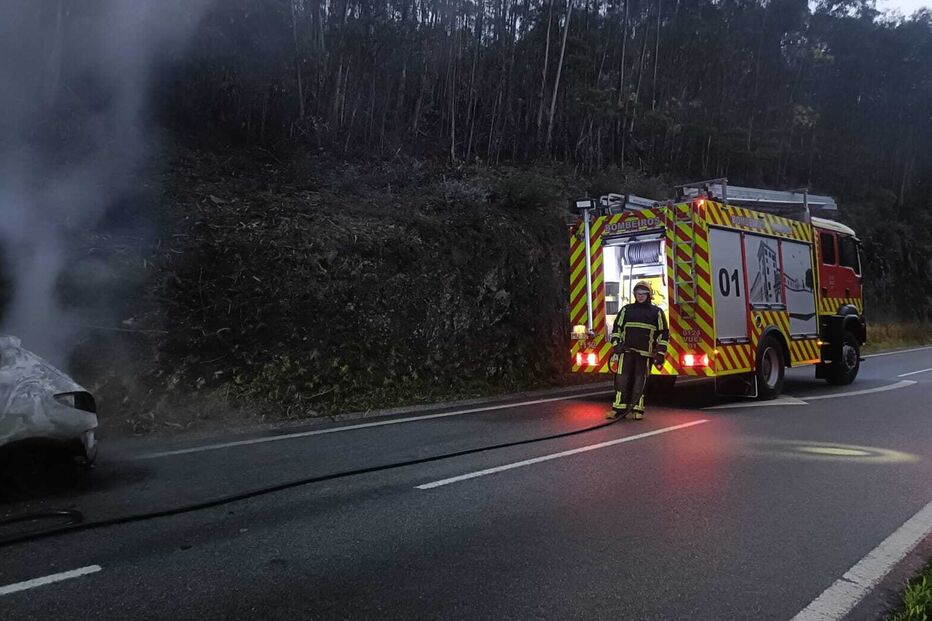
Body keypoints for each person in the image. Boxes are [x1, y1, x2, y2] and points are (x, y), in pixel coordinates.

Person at [606, 280, 669, 420]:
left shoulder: (656, 312)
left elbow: (664, 333)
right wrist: (616, 344)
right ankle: (618, 409)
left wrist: (660, 353)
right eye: (637, 293)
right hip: (626, 352)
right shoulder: (626, 310)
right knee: (621, 380)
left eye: (643, 293)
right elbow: (617, 328)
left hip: (645, 354)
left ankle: (637, 409)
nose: (640, 296)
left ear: (649, 295)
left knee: (640, 382)